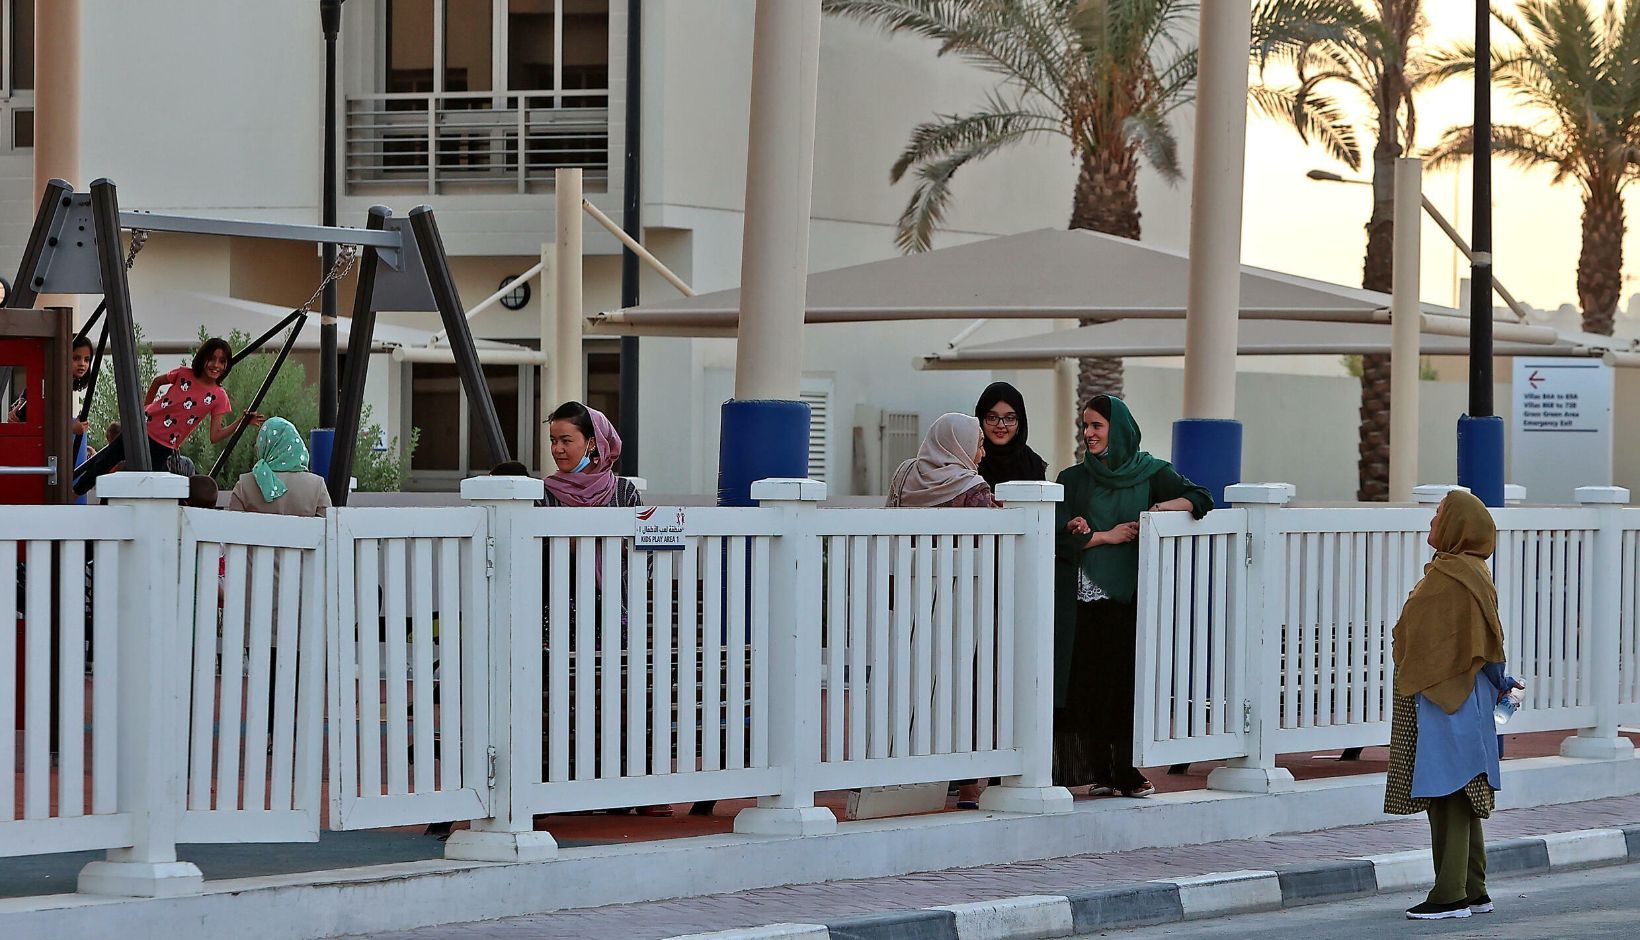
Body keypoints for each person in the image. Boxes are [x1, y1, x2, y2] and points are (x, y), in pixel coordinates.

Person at [1054, 395, 1211, 799]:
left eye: (1097, 426)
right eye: (1085, 426)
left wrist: (1160, 508)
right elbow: (1057, 537)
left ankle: (1122, 769)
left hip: (1127, 597)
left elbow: (1200, 498)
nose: (1089, 434)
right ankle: (1099, 771)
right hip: (1078, 598)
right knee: (1084, 686)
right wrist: (1094, 535)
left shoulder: (1151, 473)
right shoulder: (1072, 479)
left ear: (1118, 429)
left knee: (1121, 685)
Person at [1386, 490, 1522, 920]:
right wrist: (1502, 682)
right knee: (1461, 792)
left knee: (1448, 794)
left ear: (1457, 526)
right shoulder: (1473, 572)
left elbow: (1419, 636)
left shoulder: (1449, 577)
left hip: (1445, 699)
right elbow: (1491, 645)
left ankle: (1449, 896)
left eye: (1440, 514)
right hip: (1468, 696)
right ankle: (1474, 890)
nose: (1432, 521)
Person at [73, 337, 263, 495]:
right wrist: (143, 410)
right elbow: (157, 381)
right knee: (103, 462)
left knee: (149, 487)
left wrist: (241, 422)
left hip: (164, 446)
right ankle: (71, 495)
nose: (216, 365)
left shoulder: (219, 396)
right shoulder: (184, 374)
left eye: (222, 361)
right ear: (203, 358)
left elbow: (215, 435)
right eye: (212, 359)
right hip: (142, 429)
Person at [887, 413, 998, 508]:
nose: (983, 453)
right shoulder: (973, 487)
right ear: (960, 448)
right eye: (979, 446)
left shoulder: (905, 471)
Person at [542, 401, 641, 508]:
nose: (557, 449)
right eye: (553, 441)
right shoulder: (543, 494)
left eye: (566, 441)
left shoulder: (624, 493)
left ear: (591, 444)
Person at [227, 417, 332, 517]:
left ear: (262, 444)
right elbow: (329, 525)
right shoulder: (317, 485)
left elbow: (232, 526)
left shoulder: (244, 485)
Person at [974, 382, 1047, 490]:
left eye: (1010, 418)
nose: (1001, 425)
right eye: (992, 418)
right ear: (980, 419)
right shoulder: (969, 461)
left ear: (1020, 422)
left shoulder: (1032, 464)